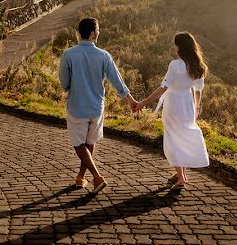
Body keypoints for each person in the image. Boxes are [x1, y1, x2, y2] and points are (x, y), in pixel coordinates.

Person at [59, 17, 137, 193]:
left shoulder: (68, 54)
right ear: (93, 33)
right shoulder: (104, 55)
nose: (99, 33)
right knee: (90, 141)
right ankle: (80, 177)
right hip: (97, 107)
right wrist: (130, 100)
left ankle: (96, 176)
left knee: (79, 144)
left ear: (79, 33)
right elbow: (117, 81)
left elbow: (64, 84)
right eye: (98, 30)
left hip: (77, 106)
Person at [135, 31, 210, 189]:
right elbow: (198, 90)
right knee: (183, 135)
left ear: (179, 46)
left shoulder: (175, 65)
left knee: (173, 137)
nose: (173, 46)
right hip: (188, 103)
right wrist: (196, 107)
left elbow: (163, 88)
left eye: (175, 44)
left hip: (174, 102)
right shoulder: (198, 66)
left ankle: (181, 178)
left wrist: (143, 102)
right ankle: (180, 173)